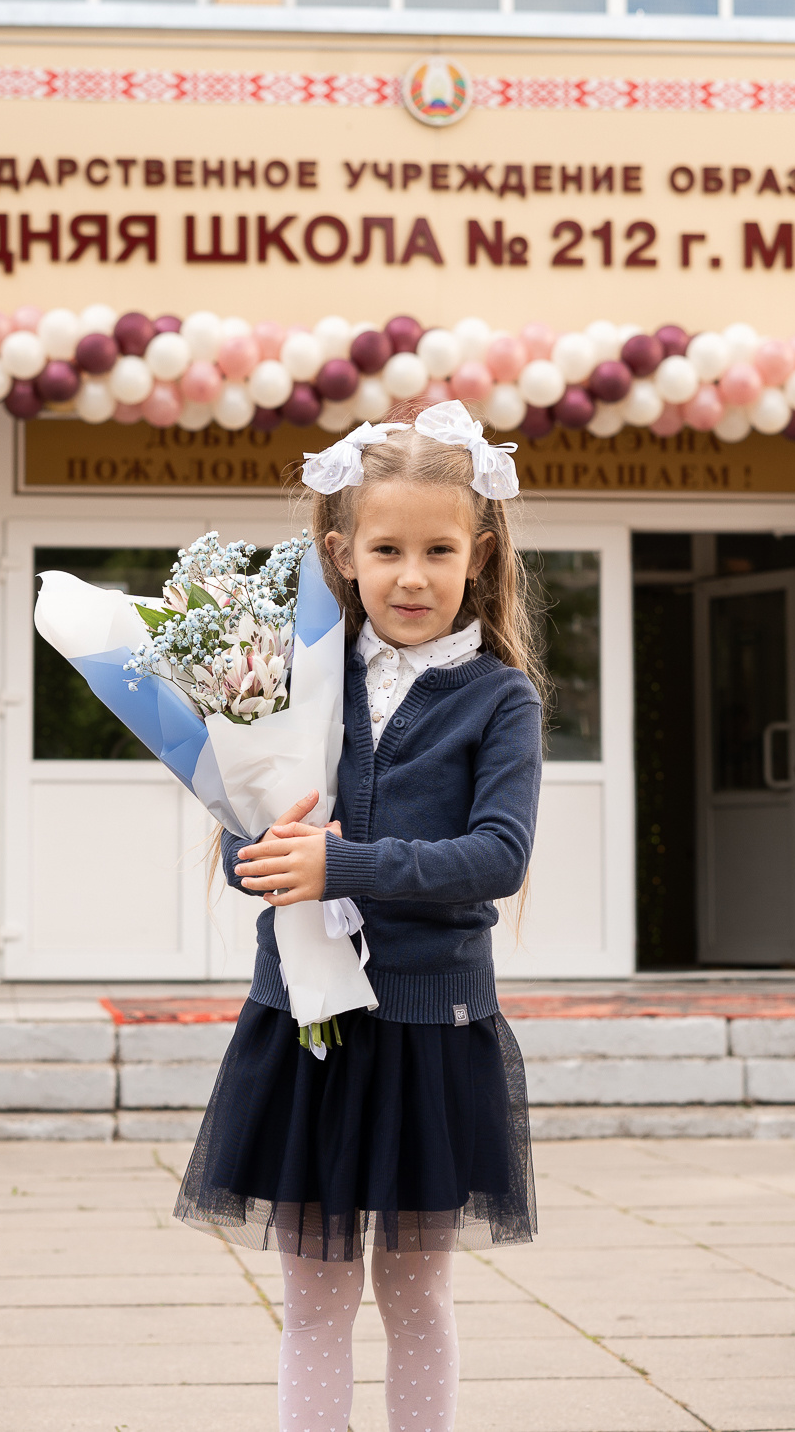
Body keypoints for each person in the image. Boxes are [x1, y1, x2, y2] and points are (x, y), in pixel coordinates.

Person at [173, 401, 544, 1432]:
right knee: (313, 1302)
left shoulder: (497, 699)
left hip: (431, 1028)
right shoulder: (293, 683)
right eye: (386, 549)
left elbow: (497, 856)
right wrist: (276, 865)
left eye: (437, 549)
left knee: (416, 1295)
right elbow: (260, 850)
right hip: (308, 1031)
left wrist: (341, 864)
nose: (412, 575)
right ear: (341, 553)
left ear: (478, 552)